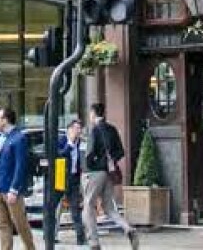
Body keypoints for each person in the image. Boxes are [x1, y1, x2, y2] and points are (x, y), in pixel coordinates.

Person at [82, 104, 137, 250]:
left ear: (93, 113)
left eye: (90, 113)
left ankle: (94, 242)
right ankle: (128, 228)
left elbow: (89, 154)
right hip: (109, 173)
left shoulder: (94, 130)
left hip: (96, 173)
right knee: (109, 207)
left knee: (88, 206)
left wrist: (92, 165)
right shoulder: (112, 129)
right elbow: (121, 152)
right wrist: (110, 161)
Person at [0, 108, 33, 250]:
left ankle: (30, 247)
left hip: (10, 188)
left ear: (5, 120)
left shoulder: (18, 138)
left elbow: (21, 165)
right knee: (3, 224)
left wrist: (14, 189)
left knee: (20, 223)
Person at [44, 117, 86, 246]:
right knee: (53, 208)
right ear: (69, 130)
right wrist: (70, 144)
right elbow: (59, 154)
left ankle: (80, 237)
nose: (78, 132)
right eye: (75, 129)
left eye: (79, 129)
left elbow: (82, 161)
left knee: (75, 209)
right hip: (60, 176)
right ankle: (50, 235)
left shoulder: (81, 143)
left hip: (73, 179)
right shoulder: (61, 141)